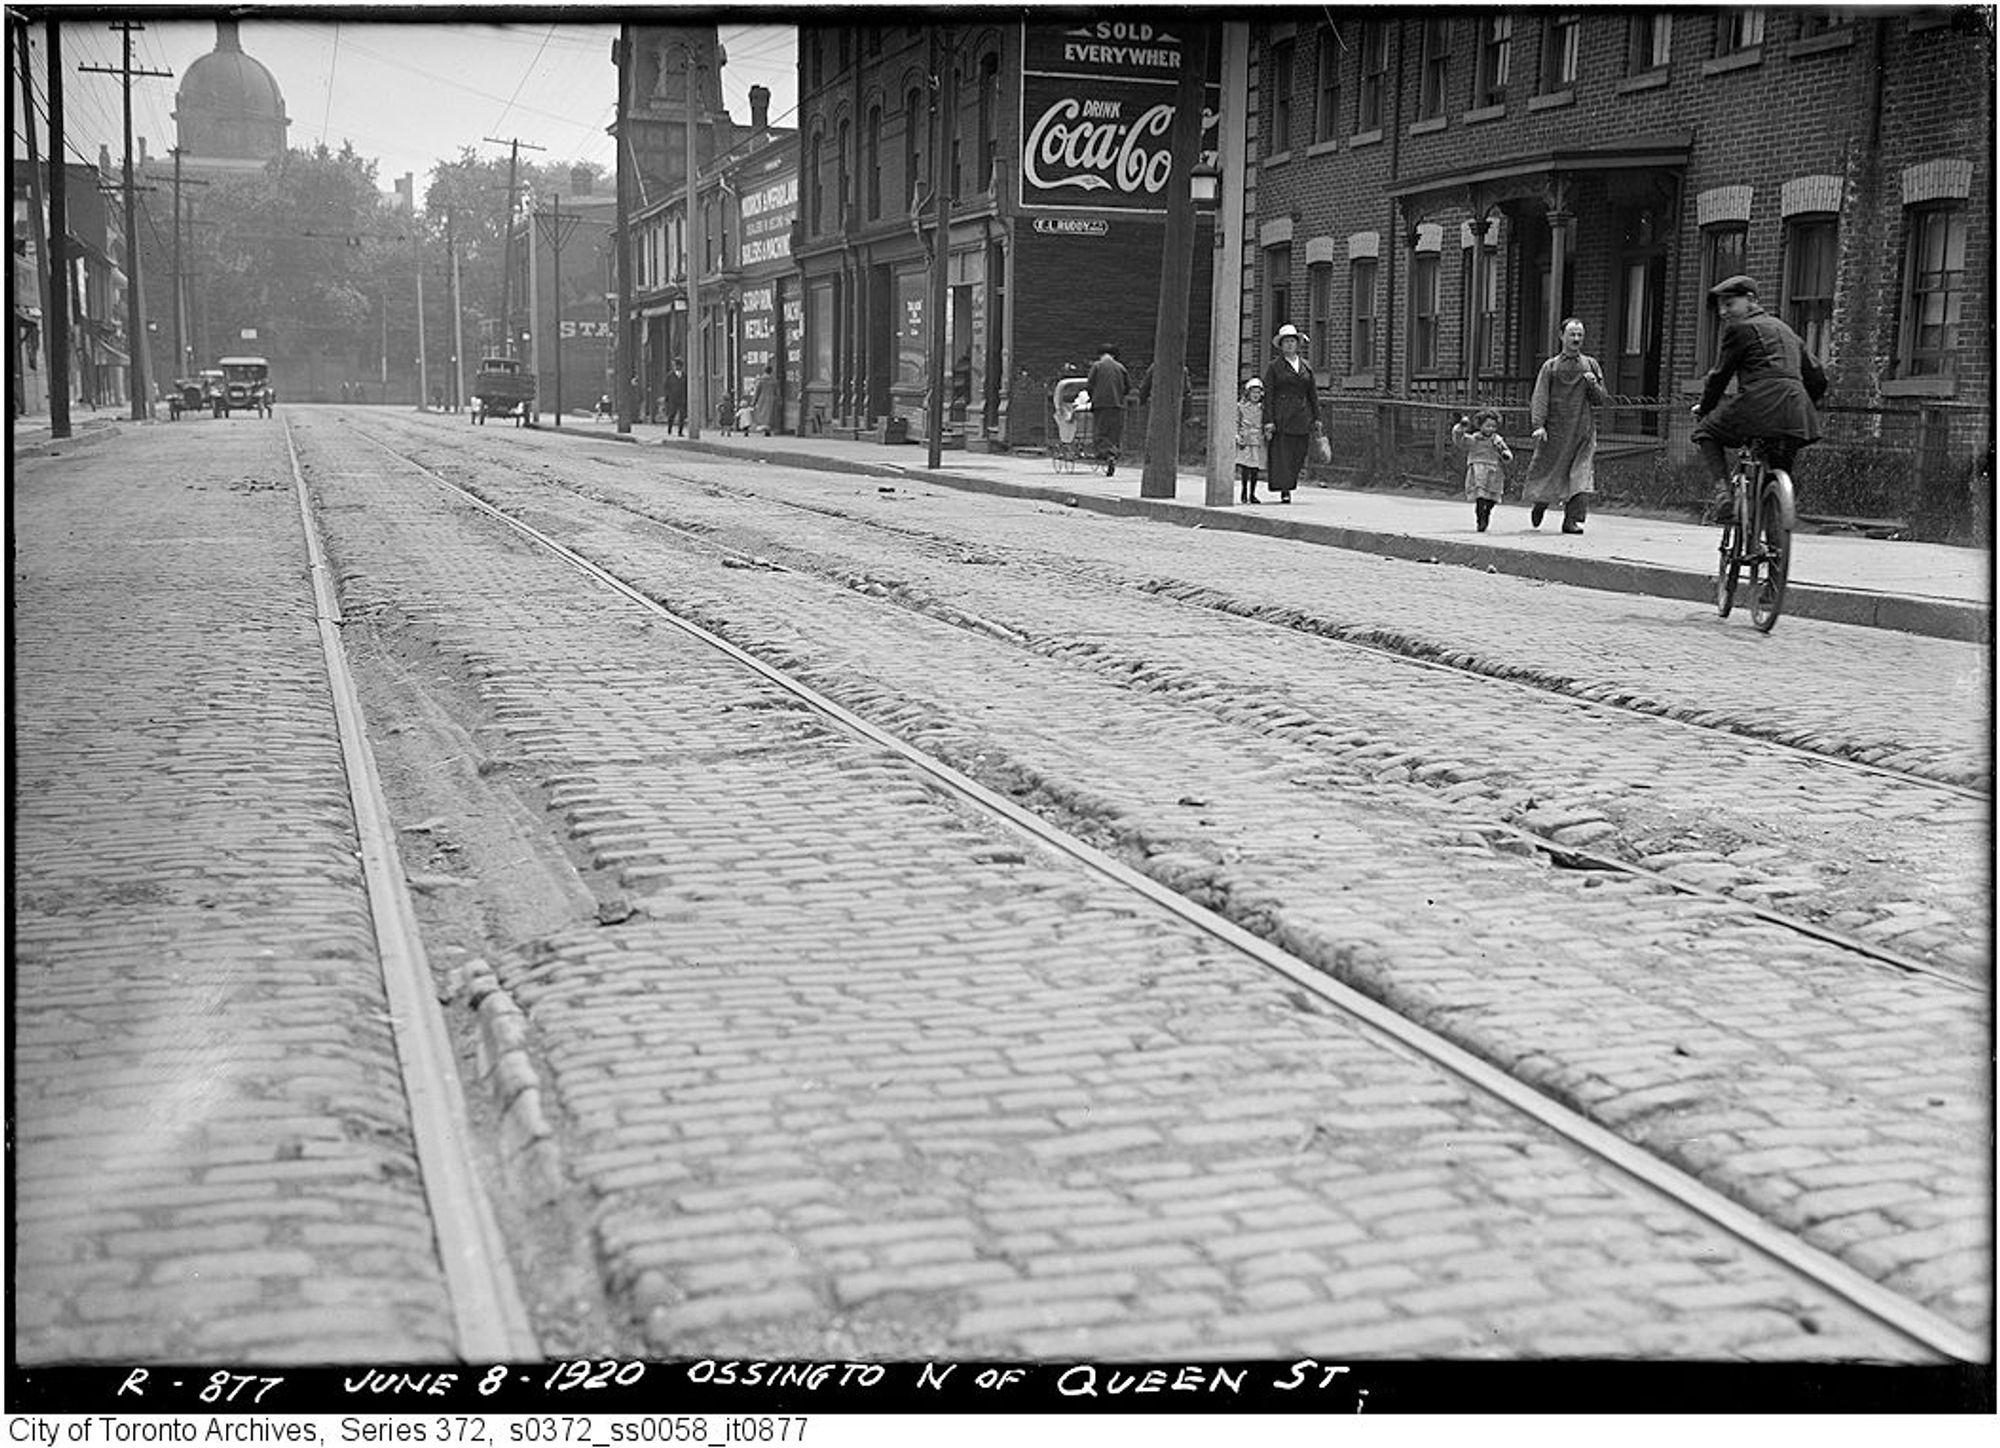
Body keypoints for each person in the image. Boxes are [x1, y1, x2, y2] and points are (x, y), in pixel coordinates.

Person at [1692, 274, 1827, 522]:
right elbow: (1818, 378)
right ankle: (1776, 542)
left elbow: (1719, 377)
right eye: (1721, 305)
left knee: (1705, 432)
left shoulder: (1740, 330)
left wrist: (1705, 410)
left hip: (1757, 405)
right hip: (1797, 414)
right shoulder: (1787, 331)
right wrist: (1803, 403)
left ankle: (1722, 494)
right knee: (1775, 472)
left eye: (1730, 303)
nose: (1723, 312)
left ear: (1751, 300)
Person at [1525, 318, 1609, 534]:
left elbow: (1600, 399)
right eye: (1572, 334)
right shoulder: (1550, 367)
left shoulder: (1591, 365)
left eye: (1580, 335)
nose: (1576, 339)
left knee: (1580, 476)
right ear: (1561, 336)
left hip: (1582, 431)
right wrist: (1539, 424)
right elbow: (1540, 396)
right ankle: (1541, 502)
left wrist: (1593, 384)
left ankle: (1572, 520)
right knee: (1550, 470)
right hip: (1555, 431)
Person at [1260, 323, 1321, 504]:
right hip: (1282, 415)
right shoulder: (1274, 367)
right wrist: (1268, 420)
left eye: (1292, 341)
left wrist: (1317, 417)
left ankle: (1292, 481)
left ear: (1297, 344)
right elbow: (1268, 394)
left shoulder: (1306, 366)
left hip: (1302, 415)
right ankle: (1285, 489)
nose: (1289, 345)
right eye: (1286, 342)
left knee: (1298, 452)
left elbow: (1312, 393)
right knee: (1283, 454)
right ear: (1281, 345)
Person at [1452, 407, 1515, 532]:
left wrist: (1506, 455)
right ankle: (1480, 519)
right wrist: (1461, 426)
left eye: (1493, 426)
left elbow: (1505, 451)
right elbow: (1460, 439)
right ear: (1480, 426)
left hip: (1494, 471)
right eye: (1487, 426)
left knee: (1492, 497)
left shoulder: (1497, 440)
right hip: (1479, 470)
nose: (1490, 429)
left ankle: (1487, 513)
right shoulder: (1475, 439)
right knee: (1480, 495)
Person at [1084, 343, 1130, 473]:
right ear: (1114, 355)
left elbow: (1089, 385)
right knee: (1114, 432)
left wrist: (1092, 397)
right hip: (1117, 405)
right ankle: (1114, 452)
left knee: (1101, 431)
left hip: (1101, 404)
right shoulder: (1121, 367)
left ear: (1100, 354)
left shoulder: (1097, 366)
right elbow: (1128, 387)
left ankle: (1106, 454)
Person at [1235, 376, 1267, 504]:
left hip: (1258, 440)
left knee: (1255, 468)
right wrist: (1236, 435)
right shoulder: (1241, 406)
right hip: (1245, 439)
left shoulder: (1263, 408)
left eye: (1258, 393)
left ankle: (1252, 493)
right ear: (1248, 393)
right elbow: (1236, 421)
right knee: (1245, 467)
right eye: (1253, 392)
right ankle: (1244, 491)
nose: (1256, 395)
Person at [751, 363, 779, 435]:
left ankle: (764, 429)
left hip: (762, 399)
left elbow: (757, 392)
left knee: (762, 414)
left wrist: (753, 402)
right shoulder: (774, 381)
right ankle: (768, 429)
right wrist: (778, 399)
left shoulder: (761, 380)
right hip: (771, 399)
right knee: (770, 415)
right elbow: (777, 392)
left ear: (764, 370)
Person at [663, 361, 688, 436]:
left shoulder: (685, 376)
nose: (677, 367)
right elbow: (666, 387)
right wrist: (667, 396)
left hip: (682, 398)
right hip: (673, 398)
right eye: (676, 365)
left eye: (679, 365)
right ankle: (669, 429)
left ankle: (680, 431)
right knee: (672, 414)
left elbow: (686, 386)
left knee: (682, 415)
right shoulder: (670, 376)